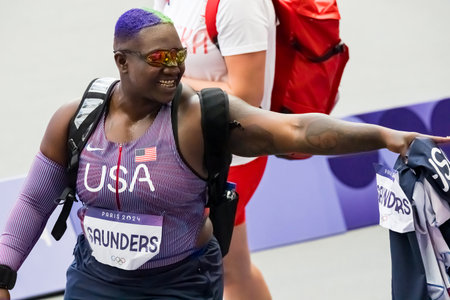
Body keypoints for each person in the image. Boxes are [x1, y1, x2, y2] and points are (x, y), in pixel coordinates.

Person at [0, 7, 448, 300]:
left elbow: (296, 129)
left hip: (180, 286)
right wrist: (4, 270)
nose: (174, 67)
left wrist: (388, 137)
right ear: (122, 62)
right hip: (96, 283)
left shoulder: (200, 117)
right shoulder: (76, 119)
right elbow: (36, 200)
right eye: (158, 59)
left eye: (178, 54)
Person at [153, 1, 276, 298]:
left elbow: (247, 96)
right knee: (233, 269)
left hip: (229, 160)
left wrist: (163, 82)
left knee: (186, 273)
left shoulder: (238, 5)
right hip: (188, 150)